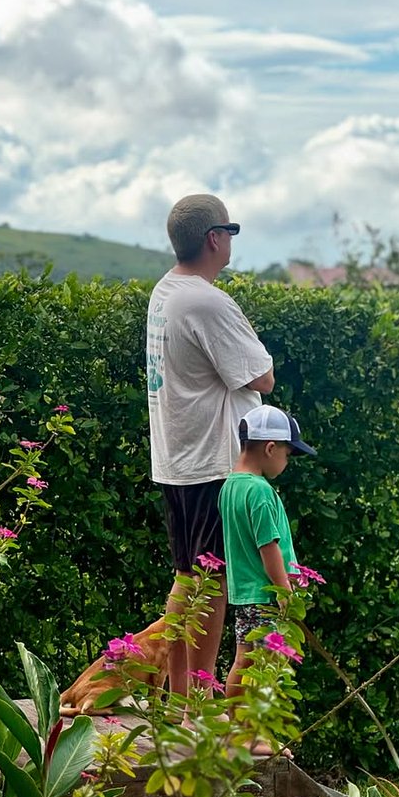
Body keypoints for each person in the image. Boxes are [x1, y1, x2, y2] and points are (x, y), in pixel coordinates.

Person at [146, 193, 274, 707]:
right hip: (211, 461)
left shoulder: (166, 291)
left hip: (178, 458)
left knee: (193, 578)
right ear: (214, 239)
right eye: (231, 232)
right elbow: (260, 376)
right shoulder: (206, 300)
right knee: (208, 584)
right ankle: (194, 698)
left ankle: (181, 698)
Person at [219, 403, 317, 713]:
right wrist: (283, 590)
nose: (287, 462)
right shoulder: (260, 492)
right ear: (271, 448)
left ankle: (235, 727)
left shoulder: (229, 487)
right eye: (288, 455)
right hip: (266, 595)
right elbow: (268, 546)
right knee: (269, 665)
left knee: (243, 660)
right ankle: (257, 733)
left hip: (244, 594)